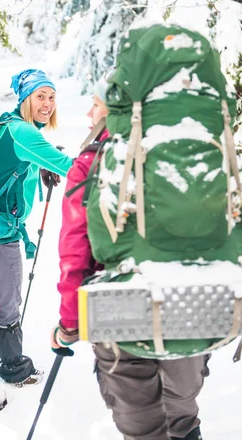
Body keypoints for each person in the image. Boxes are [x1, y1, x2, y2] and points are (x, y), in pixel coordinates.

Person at [51, 74, 208, 440]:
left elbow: (76, 256)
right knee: (183, 418)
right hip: (187, 307)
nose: (89, 113)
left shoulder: (90, 165)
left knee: (143, 428)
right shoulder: (190, 153)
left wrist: (69, 325)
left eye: (95, 103)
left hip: (120, 312)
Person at [0, 68, 73, 409]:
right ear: (25, 99)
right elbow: (72, 166)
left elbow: (5, 167)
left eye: (51, 97)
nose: (48, 104)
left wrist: (38, 167)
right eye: (40, 96)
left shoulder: (6, 126)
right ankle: (14, 368)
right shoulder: (22, 132)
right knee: (7, 307)